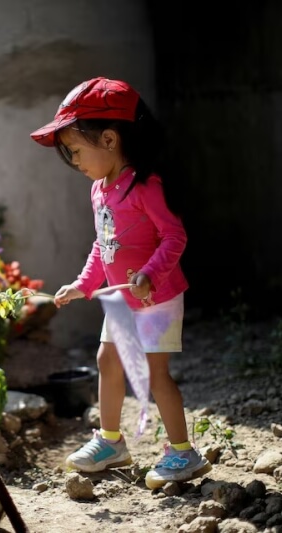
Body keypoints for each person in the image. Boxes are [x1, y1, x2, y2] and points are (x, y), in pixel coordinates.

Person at [30, 77, 211, 489]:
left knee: (153, 373)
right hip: (119, 300)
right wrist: (83, 283)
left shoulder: (145, 185)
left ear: (109, 138)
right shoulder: (100, 190)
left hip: (157, 298)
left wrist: (151, 273)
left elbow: (174, 236)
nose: (74, 161)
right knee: (106, 361)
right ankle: (111, 442)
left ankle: (183, 451)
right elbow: (103, 243)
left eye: (75, 150)